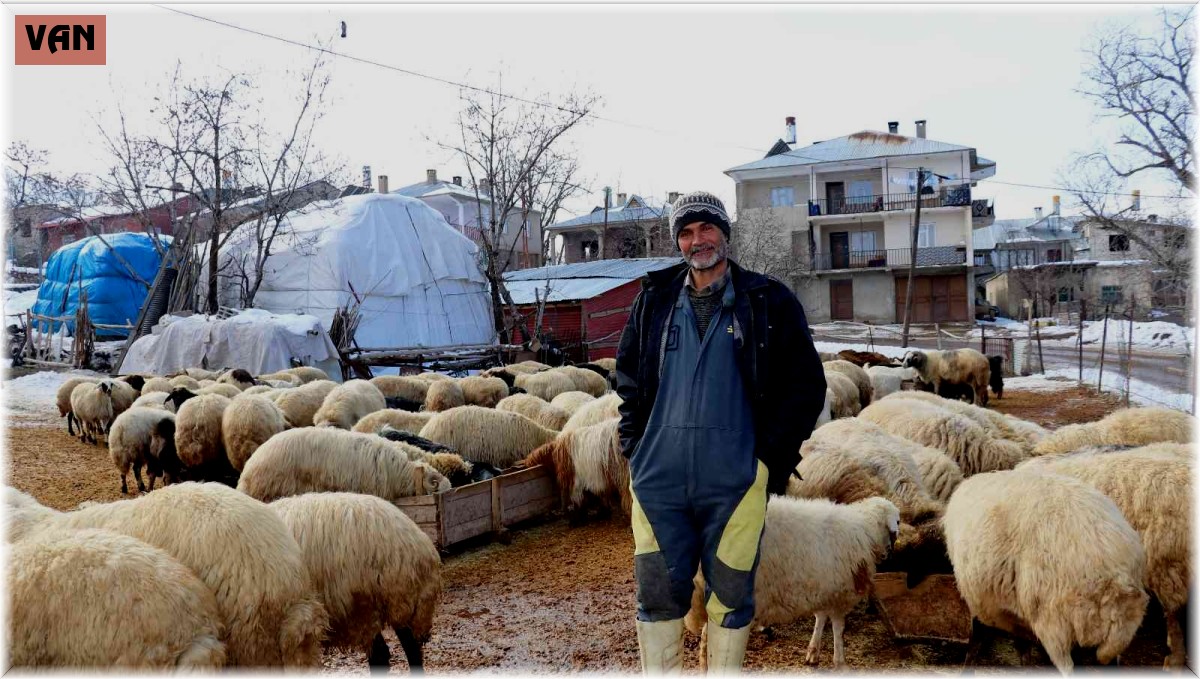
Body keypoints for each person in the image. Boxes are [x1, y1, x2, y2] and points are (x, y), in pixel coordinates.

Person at [614, 191, 826, 674]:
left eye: (706, 228)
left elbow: (806, 385)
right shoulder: (653, 301)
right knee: (657, 593)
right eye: (686, 233)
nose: (697, 240)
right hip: (658, 479)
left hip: (735, 481)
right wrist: (636, 450)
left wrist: (766, 460)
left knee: (730, 595)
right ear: (678, 242)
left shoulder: (767, 300)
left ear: (724, 234)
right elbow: (627, 378)